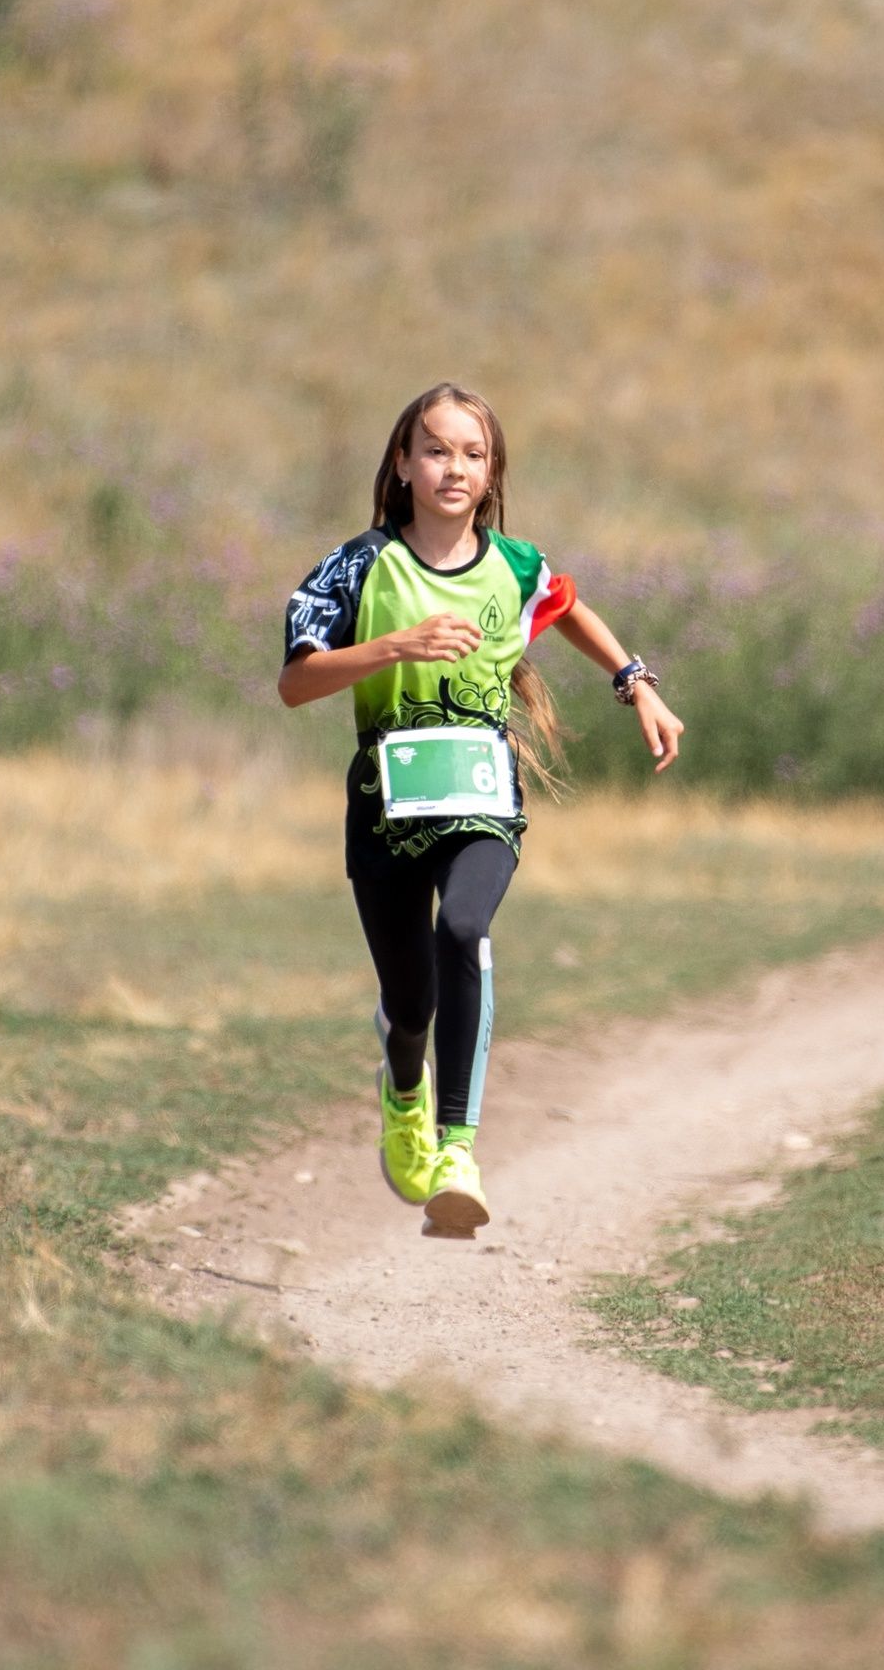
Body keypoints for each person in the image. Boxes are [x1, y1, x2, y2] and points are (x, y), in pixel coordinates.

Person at [278, 381, 684, 1237]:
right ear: (402, 461)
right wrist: (395, 646)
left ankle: (457, 1148)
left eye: (472, 452)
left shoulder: (515, 564)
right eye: (435, 449)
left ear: (492, 468)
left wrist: (635, 684)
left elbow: (565, 607)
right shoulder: (356, 565)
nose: (453, 467)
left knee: (463, 929)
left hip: (484, 802)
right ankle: (403, 1085)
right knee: (411, 1002)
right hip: (383, 808)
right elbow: (294, 683)